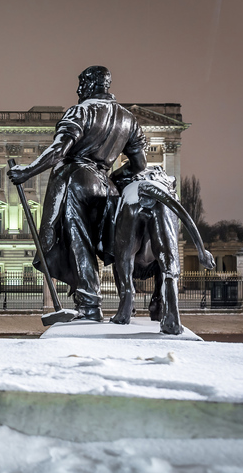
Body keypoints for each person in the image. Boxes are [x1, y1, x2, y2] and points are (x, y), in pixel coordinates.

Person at [8, 66, 147, 322]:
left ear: (90, 84)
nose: (78, 89)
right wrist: (113, 178)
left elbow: (60, 149)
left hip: (77, 179)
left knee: (80, 242)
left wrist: (27, 171)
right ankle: (124, 301)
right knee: (105, 245)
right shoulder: (128, 119)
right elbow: (139, 165)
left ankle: (90, 307)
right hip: (106, 185)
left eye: (81, 83)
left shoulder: (81, 110)